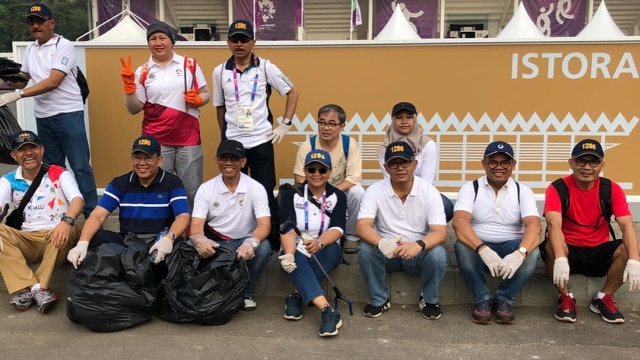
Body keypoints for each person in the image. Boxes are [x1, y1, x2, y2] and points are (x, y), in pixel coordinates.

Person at [0, 3, 97, 218]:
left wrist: (18, 95)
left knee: (80, 166)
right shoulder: (31, 49)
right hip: (44, 116)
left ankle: (92, 216)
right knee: (52, 168)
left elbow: (53, 81)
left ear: (51, 22)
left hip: (68, 114)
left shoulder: (64, 46)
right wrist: (5, 85)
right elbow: (22, 80)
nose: (36, 25)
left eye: (40, 21)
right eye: (31, 22)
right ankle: (59, 211)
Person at [213, 19, 299, 246]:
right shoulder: (219, 71)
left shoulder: (265, 67)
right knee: (232, 191)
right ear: (228, 42)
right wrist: (226, 136)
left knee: (265, 191)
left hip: (261, 140)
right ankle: (234, 236)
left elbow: (292, 92)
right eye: (234, 39)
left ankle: (271, 242)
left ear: (253, 41)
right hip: (234, 143)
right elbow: (220, 107)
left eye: (244, 39)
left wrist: (286, 123)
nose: (239, 44)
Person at [543, 139, 640, 324]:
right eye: (581, 161)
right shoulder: (558, 188)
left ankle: (603, 297)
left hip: (598, 249)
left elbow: (627, 225)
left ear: (602, 165)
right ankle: (565, 297)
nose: (587, 167)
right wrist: (560, 257)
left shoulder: (611, 189)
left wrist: (634, 260)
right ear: (571, 163)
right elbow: (553, 224)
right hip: (568, 251)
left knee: (629, 248)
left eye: (593, 162)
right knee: (550, 245)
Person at [66, 135, 190, 275]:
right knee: (94, 238)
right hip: (128, 242)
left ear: (159, 160)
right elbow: (98, 216)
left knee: (178, 250)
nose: (141, 163)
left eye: (148, 158)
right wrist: (82, 243)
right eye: (137, 157)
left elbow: (183, 216)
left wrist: (169, 238)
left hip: (158, 241)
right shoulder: (119, 183)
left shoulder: (172, 183)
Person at [120, 21, 210, 208]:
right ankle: (162, 228)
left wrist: (198, 100)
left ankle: (192, 230)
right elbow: (134, 109)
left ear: (172, 41)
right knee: (158, 188)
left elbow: (206, 93)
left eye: (162, 37)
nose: (157, 42)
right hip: (156, 140)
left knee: (191, 189)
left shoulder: (189, 64)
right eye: (153, 38)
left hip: (188, 137)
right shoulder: (142, 71)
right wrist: (129, 89)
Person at [452, 141, 541, 324]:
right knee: (461, 246)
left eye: (504, 162)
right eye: (493, 162)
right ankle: (482, 299)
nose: (498, 167)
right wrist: (482, 248)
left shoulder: (522, 191)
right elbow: (459, 222)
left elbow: (534, 225)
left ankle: (503, 298)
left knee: (533, 253)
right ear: (484, 163)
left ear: (513, 165)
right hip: (478, 247)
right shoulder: (471, 188)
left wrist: (520, 252)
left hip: (510, 248)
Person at [357, 141, 448, 319]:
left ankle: (429, 299)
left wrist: (418, 245)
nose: (400, 168)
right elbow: (362, 226)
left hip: (417, 254)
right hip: (387, 252)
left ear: (414, 164)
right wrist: (381, 242)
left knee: (438, 254)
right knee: (365, 249)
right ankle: (379, 299)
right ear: (386, 167)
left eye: (405, 162)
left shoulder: (429, 191)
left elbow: (441, 233)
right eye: (394, 163)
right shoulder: (374, 190)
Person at [0, 130, 84, 313]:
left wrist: (66, 221)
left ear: (42, 150)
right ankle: (36, 288)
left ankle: (34, 288)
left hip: (58, 235)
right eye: (22, 150)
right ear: (14, 156)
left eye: (33, 147)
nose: (28, 153)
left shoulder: (58, 173)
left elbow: (78, 200)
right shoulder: (8, 180)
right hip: (27, 239)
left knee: (67, 230)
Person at [188, 140, 272, 311]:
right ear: (217, 160)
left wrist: (251, 243)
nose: (228, 163)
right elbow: (196, 225)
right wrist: (200, 240)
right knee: (189, 246)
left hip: (242, 242)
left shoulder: (256, 188)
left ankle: (245, 293)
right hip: (215, 242)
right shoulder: (206, 188)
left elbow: (264, 225)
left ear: (243, 161)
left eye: (234, 158)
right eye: (224, 158)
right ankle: (203, 292)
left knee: (264, 247)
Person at [280, 149, 347, 337]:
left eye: (322, 170)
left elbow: (338, 228)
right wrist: (290, 252)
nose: (316, 174)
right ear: (305, 171)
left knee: (332, 252)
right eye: (311, 170)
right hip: (295, 243)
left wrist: (320, 243)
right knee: (295, 258)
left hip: (325, 245)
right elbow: (287, 228)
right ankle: (327, 310)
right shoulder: (291, 194)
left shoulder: (338, 196)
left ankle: (296, 294)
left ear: (330, 172)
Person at [293, 104, 364, 254]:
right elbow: (300, 177)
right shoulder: (308, 145)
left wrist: (332, 192)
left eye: (332, 124)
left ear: (342, 126)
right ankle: (316, 236)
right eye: (322, 123)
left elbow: (354, 177)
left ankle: (351, 238)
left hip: (340, 191)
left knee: (358, 192)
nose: (326, 128)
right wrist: (318, 193)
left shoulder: (349, 144)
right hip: (313, 192)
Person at [376, 102, 453, 222]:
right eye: (399, 117)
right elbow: (390, 179)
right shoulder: (384, 148)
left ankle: (426, 232)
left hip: (422, 193)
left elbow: (427, 181)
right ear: (393, 120)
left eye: (409, 117)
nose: (404, 121)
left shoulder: (428, 145)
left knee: (446, 206)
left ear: (415, 119)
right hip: (394, 193)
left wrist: (413, 200)